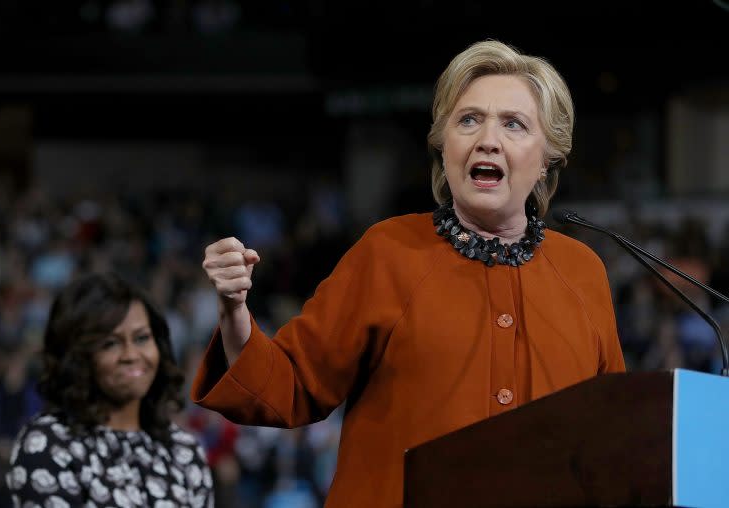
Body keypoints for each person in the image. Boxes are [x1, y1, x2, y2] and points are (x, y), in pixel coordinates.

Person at [192, 40, 626, 507]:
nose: (487, 139)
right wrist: (235, 310)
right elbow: (290, 387)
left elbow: (613, 431)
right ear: (444, 147)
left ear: (547, 160)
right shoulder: (388, 252)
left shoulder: (582, 272)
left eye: (514, 124)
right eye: (468, 120)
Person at [6, 272, 214, 507]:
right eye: (110, 343)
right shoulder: (48, 444)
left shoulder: (184, 449)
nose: (131, 355)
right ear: (78, 356)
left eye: (142, 338)